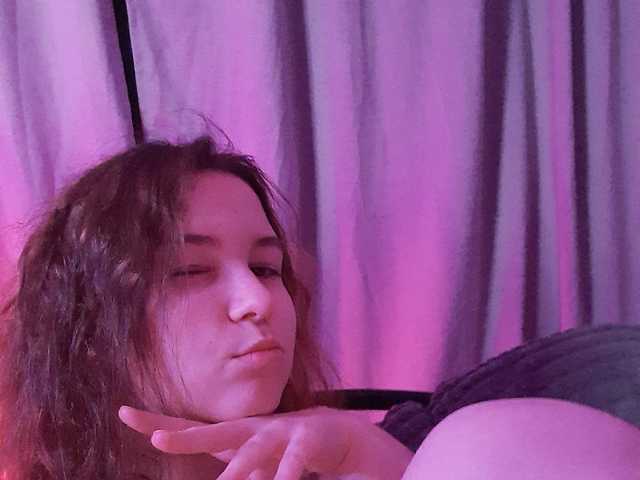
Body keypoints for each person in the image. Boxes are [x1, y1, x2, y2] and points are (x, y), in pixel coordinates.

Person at [1, 136, 639, 480]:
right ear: (89, 330)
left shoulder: (379, 454)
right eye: (190, 270)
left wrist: (374, 459)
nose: (258, 300)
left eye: (266, 268)